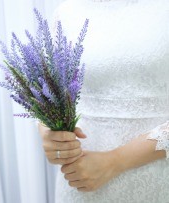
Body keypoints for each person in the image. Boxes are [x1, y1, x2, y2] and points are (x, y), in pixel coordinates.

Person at [37, 0, 169, 202]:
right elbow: (49, 92)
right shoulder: (67, 12)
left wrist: (114, 161)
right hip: (80, 181)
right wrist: (48, 133)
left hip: (158, 178)